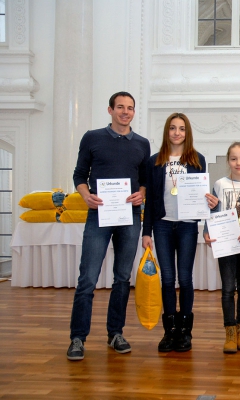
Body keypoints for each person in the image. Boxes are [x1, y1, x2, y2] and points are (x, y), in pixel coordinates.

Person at [67, 92, 151, 361]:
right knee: (87, 279)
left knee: (122, 279)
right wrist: (84, 194)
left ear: (134, 112)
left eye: (130, 108)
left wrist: (142, 193)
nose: (125, 112)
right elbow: (80, 174)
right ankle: (77, 338)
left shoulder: (142, 143)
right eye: (120, 107)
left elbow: (145, 180)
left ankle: (115, 333)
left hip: (129, 217)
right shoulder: (92, 137)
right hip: (99, 216)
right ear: (110, 110)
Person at [142, 112, 210, 353]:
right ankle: (169, 331)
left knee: (185, 278)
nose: (177, 133)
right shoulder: (155, 161)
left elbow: (203, 194)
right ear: (167, 132)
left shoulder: (197, 159)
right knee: (167, 279)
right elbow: (149, 200)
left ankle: (185, 331)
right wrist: (146, 231)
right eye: (173, 128)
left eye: (181, 128)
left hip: (187, 225)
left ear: (187, 133)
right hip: (161, 225)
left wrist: (208, 202)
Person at [203, 142, 240, 354]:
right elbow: (212, 211)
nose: (238, 163)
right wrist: (206, 231)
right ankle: (229, 332)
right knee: (228, 288)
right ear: (228, 161)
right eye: (234, 158)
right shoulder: (219, 184)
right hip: (225, 244)